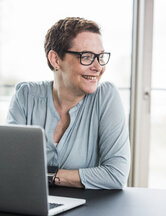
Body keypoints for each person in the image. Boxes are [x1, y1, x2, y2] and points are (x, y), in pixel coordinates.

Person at [6, 17, 130, 189]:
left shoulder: (105, 96)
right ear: (55, 60)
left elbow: (116, 175)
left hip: (88, 211)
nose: (98, 67)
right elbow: (11, 168)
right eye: (86, 57)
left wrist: (49, 175)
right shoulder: (26, 95)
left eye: (100, 57)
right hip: (31, 206)